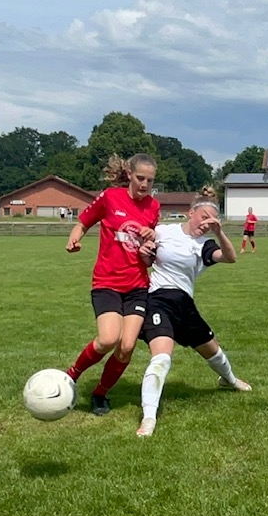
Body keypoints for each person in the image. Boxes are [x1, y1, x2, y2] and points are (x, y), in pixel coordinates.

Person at [136, 186, 250, 437]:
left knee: (213, 351)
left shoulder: (205, 245)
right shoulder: (163, 231)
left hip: (184, 304)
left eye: (212, 221)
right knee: (162, 358)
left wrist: (219, 232)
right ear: (191, 213)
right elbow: (146, 257)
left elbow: (230, 257)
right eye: (204, 217)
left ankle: (230, 380)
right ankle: (148, 417)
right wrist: (144, 253)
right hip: (157, 300)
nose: (206, 224)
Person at [64, 153, 161, 416]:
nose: (144, 184)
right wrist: (74, 239)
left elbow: (150, 254)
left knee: (127, 346)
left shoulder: (153, 207)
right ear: (129, 174)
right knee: (108, 339)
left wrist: (151, 240)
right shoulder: (110, 197)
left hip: (138, 286)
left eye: (150, 180)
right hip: (107, 282)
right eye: (140, 178)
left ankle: (100, 394)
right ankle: (71, 376)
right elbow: (83, 222)